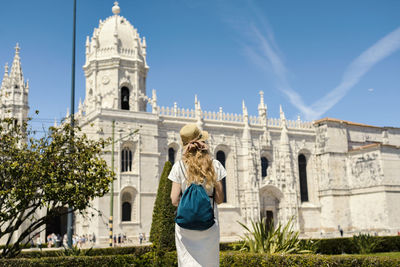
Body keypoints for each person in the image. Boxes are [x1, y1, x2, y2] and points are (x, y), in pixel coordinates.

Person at [169, 124, 226, 267]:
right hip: (209, 224)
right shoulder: (215, 165)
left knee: (186, 262)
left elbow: (174, 200)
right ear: (202, 143)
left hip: (185, 227)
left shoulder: (178, 167)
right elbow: (219, 199)